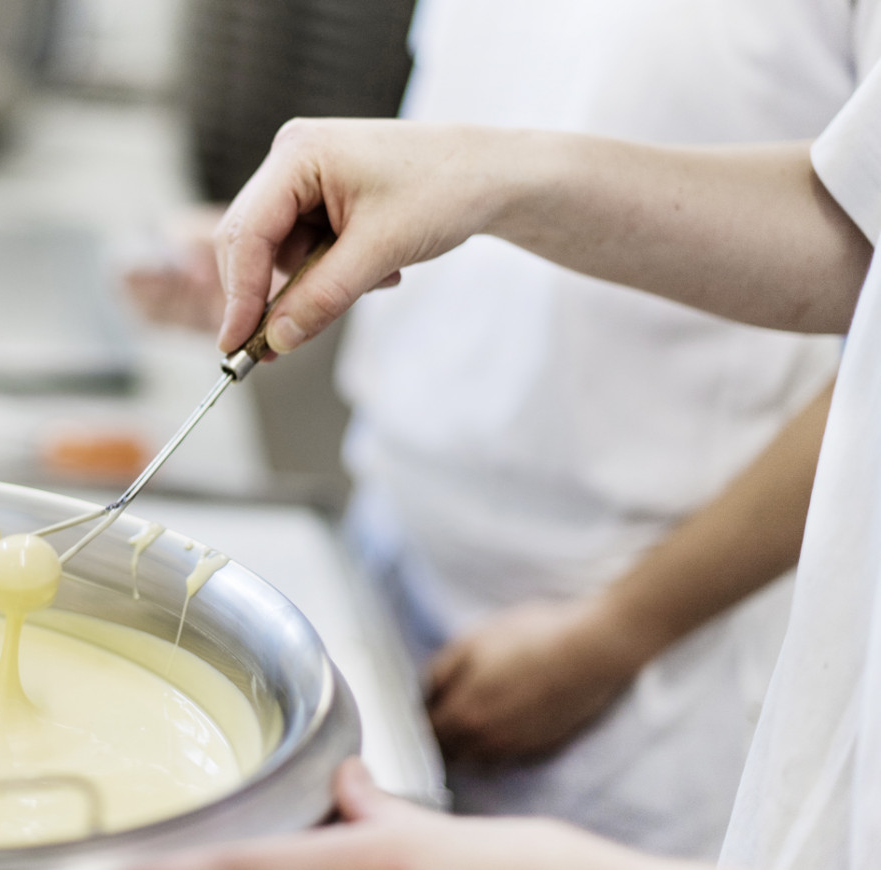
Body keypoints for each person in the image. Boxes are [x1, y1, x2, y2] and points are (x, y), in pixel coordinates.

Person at [138, 33, 881, 870]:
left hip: (644, 688)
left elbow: (867, 331)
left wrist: (617, 631)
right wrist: (329, 248)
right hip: (390, 580)